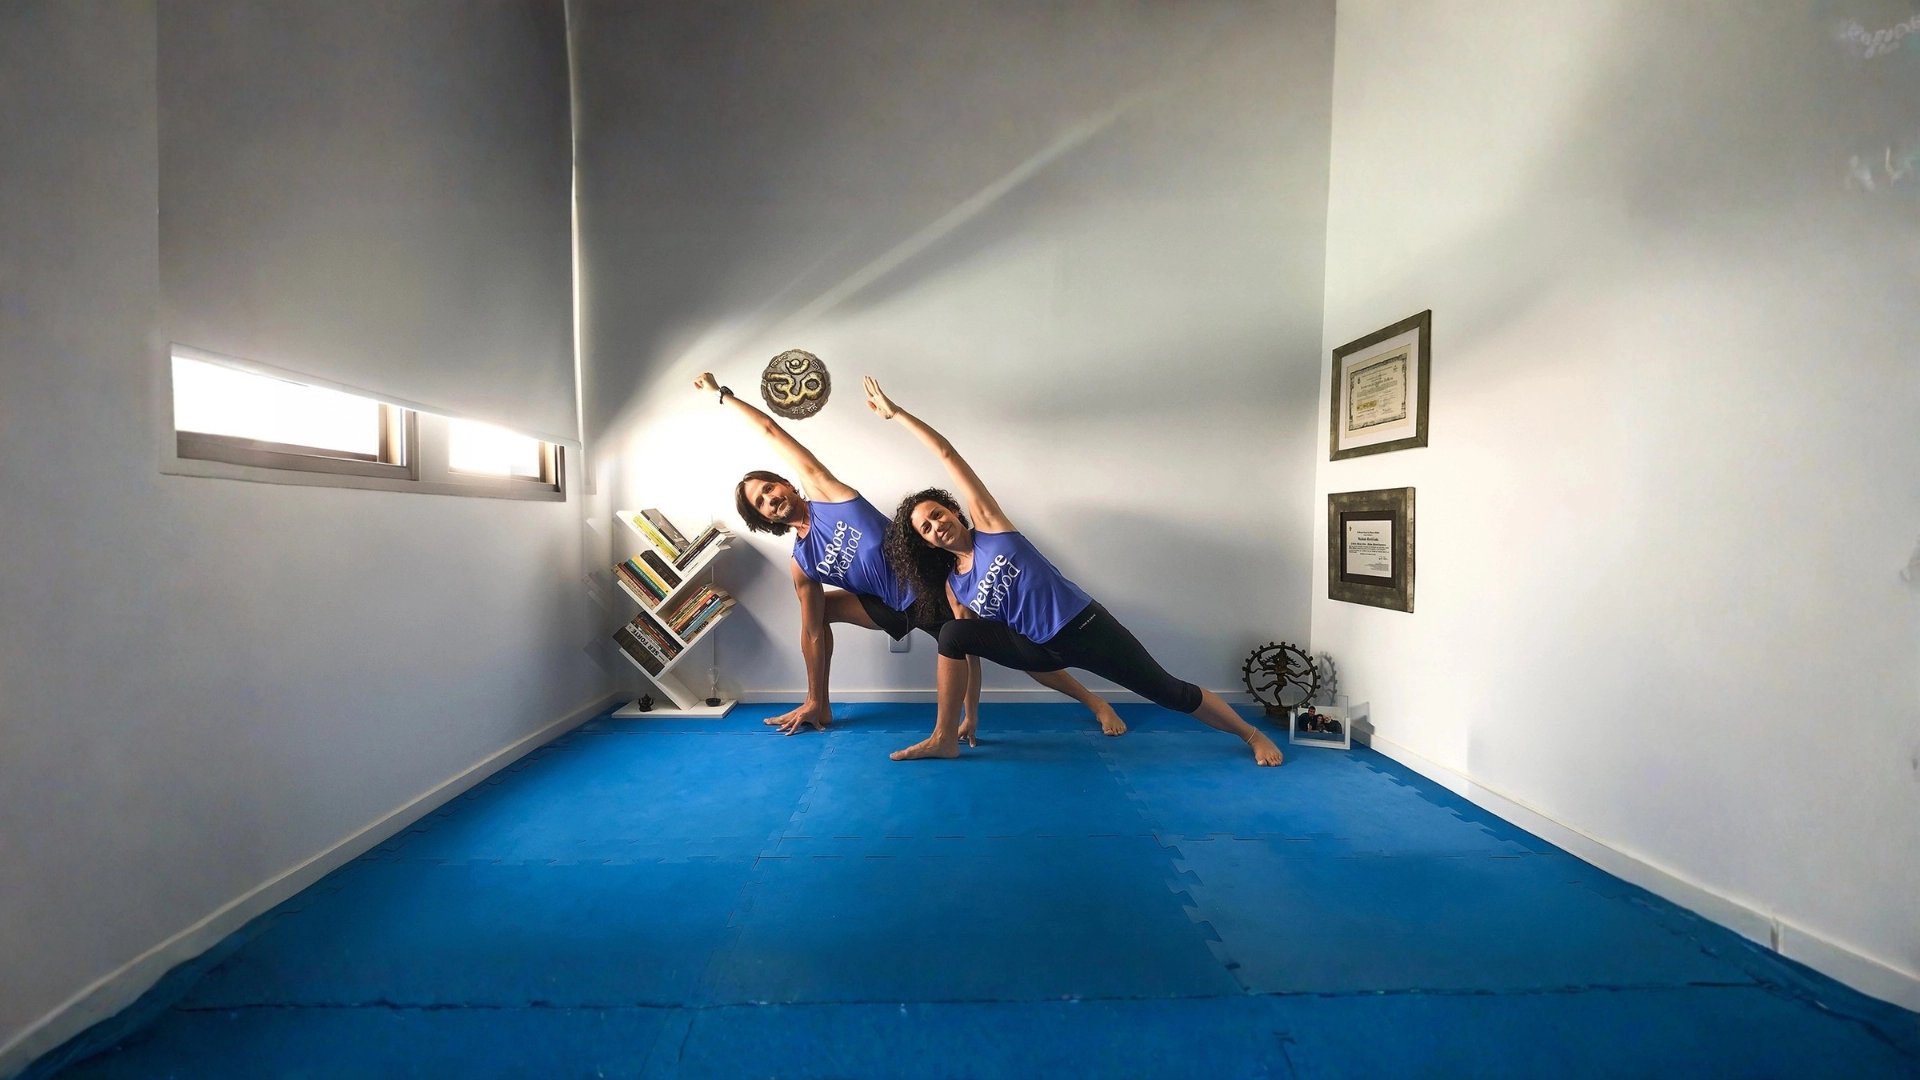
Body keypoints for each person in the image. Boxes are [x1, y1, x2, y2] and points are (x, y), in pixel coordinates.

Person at [864, 375, 1285, 766]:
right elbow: (969, 655)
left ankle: (1250, 735)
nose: (937, 525)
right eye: (926, 528)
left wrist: (896, 414)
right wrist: (970, 715)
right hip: (1037, 648)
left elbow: (947, 454)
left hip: (1085, 628)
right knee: (953, 633)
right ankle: (944, 737)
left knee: (1168, 692)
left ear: (954, 510)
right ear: (926, 542)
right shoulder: (956, 584)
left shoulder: (992, 528)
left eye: (938, 514)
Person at [694, 372, 1125, 740]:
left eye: (770, 489)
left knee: (1018, 651)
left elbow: (772, 431)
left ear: (786, 485)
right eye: (761, 503)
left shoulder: (829, 494)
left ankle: (1094, 702)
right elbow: (809, 633)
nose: (770, 499)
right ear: (763, 518)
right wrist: (811, 696)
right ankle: (818, 706)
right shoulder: (802, 560)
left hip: (928, 585)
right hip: (889, 606)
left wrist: (723, 395)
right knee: (816, 611)